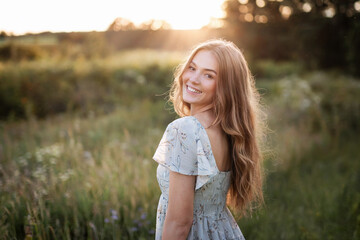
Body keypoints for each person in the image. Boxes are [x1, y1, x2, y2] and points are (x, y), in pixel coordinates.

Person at [153, 39, 266, 240]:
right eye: (192, 68)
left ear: (226, 86)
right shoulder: (228, 129)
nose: (193, 79)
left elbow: (180, 223)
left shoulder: (185, 130)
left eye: (208, 75)